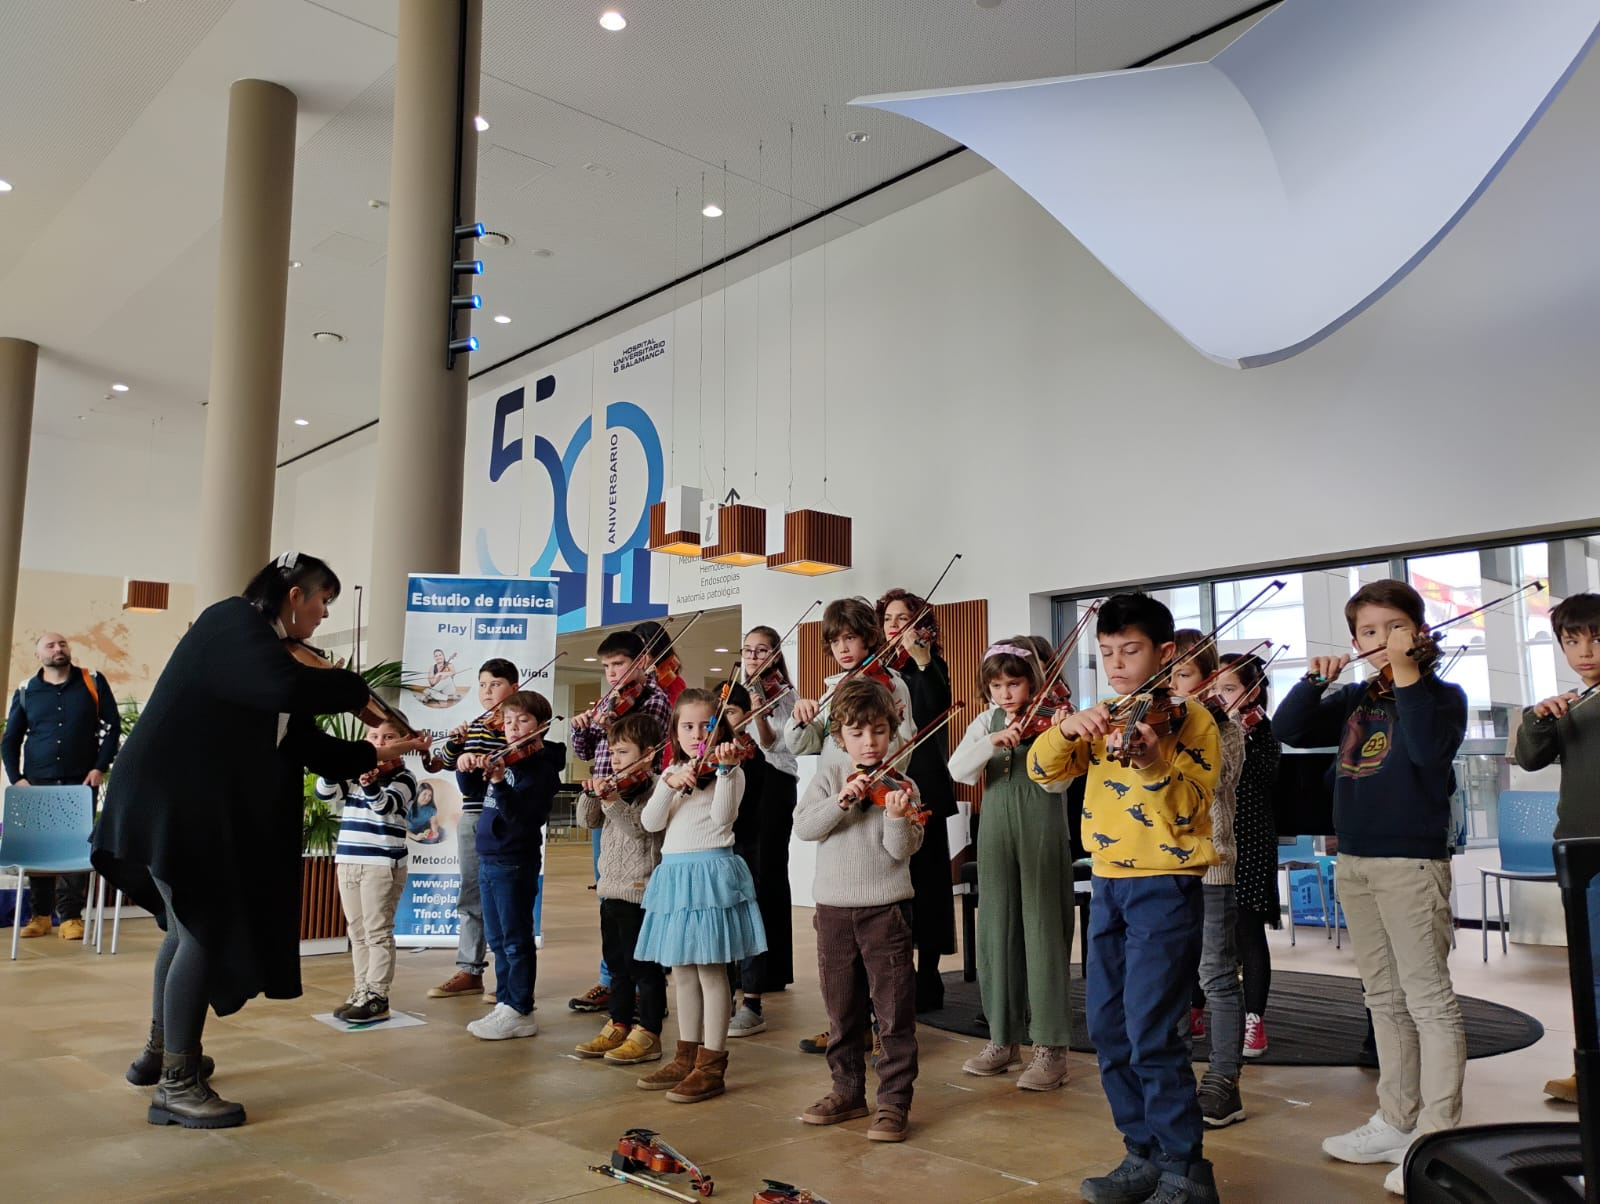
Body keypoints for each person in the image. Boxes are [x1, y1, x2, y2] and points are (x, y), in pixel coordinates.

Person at [91, 552, 432, 1128]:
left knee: (186, 928)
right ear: (294, 595)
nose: (324, 615)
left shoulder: (262, 653)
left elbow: (301, 743)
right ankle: (177, 1083)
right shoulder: (234, 623)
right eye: (323, 600)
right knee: (204, 926)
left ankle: (163, 1054)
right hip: (171, 802)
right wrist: (350, 689)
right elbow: (282, 685)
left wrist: (380, 751)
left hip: (180, 803)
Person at [1276, 578, 1468, 1198]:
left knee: (1428, 1000)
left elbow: (1422, 752)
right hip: (1355, 860)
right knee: (1382, 999)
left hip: (1410, 865)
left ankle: (1437, 1137)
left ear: (1417, 631)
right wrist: (1314, 681)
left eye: (1392, 628)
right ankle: (1396, 1119)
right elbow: (1290, 728)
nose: (1379, 641)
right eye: (1366, 632)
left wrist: (1409, 672)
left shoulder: (1444, 696)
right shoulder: (1358, 697)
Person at [1029, 592, 1223, 1204]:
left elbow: (1194, 805)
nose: (1116, 664)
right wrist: (1065, 728)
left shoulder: (1191, 721)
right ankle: (1140, 1151)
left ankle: (1184, 1167)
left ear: (1165, 653)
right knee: (1109, 1026)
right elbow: (1043, 771)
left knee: (1152, 1027)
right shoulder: (1105, 713)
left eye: (1130, 651)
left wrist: (1155, 757)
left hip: (1166, 885)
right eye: (1106, 652)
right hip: (1108, 881)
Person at [793, 677, 924, 1143]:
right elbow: (806, 827)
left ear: (892, 731)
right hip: (833, 910)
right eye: (857, 733)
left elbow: (900, 850)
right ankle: (847, 1091)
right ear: (839, 737)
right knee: (841, 1008)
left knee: (892, 1013)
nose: (869, 743)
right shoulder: (829, 778)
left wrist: (894, 814)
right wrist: (843, 800)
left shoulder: (903, 784)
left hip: (884, 911)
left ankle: (893, 1101)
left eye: (879, 732)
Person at [947, 639, 1076, 1091]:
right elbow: (957, 769)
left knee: (1042, 931)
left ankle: (1050, 1048)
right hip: (996, 826)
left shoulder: (1056, 718)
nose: (1005, 694)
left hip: (1041, 825)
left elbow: (1060, 784)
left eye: (1014, 684)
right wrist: (989, 741)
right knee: (996, 930)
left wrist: (1058, 737)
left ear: (1033, 682)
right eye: (996, 685)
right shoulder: (987, 720)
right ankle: (1002, 1039)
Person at [634, 688, 766, 1103]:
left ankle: (712, 1064)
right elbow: (651, 822)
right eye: (686, 726)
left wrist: (726, 771)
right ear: (674, 730)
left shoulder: (731, 770)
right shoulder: (675, 770)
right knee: (683, 973)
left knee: (711, 973)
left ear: (720, 728)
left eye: (705, 726)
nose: (696, 734)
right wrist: (667, 785)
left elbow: (724, 817)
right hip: (674, 877)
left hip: (710, 874)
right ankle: (685, 1054)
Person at [1511, 592, 1600, 1103]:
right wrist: (1539, 717)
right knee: (1587, 966)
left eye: (1596, 637)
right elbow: (1529, 758)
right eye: (1572, 640)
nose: (1585, 650)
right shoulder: (1571, 703)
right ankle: (1588, 1066)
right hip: (1577, 850)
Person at [569, 629, 673, 1015]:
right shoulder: (605, 705)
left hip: (634, 796)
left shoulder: (655, 699)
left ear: (641, 662)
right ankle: (613, 982)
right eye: (607, 666)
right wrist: (585, 727)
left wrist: (611, 718)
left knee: (635, 905)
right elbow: (586, 752)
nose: (612, 674)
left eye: (618, 664)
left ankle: (647, 989)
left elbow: (650, 739)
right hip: (605, 795)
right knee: (609, 894)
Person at [1168, 629, 1248, 1128]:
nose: (1174, 684)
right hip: (1165, 864)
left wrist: (1199, 727)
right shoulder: (1158, 721)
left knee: (1215, 976)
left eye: (1183, 674)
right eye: (1168, 673)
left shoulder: (1227, 727)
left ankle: (1224, 1080)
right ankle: (1174, 1075)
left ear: (1208, 678)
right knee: (1172, 976)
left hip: (1212, 864)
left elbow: (1217, 782)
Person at [4, 631, 121, 940]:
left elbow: (113, 727)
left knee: (75, 845)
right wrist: (17, 779)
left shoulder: (92, 681)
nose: (58, 649)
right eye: (50, 645)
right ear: (38, 655)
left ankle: (70, 917)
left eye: (62, 644)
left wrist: (99, 767)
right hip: (37, 782)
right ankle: (40, 916)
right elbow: (11, 739)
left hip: (80, 781)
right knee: (39, 849)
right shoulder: (27, 690)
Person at [878, 589, 959, 1012]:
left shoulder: (931, 667)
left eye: (903, 618)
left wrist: (922, 659)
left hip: (924, 785)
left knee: (929, 887)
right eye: (889, 619)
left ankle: (929, 975)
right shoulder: (878, 672)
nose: (894, 625)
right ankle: (897, 973)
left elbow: (936, 710)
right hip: (887, 789)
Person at [468, 690, 565, 1041]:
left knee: (515, 939)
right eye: (508, 721)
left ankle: (520, 1008)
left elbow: (521, 819)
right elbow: (476, 794)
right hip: (489, 858)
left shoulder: (540, 770)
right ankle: (506, 1001)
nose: (512, 728)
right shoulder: (503, 758)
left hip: (514, 861)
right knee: (496, 939)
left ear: (540, 726)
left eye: (522, 720)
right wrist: (469, 766)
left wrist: (499, 781)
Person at [575, 710, 667, 1064]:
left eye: (623, 752)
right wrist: (591, 794)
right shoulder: (614, 785)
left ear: (648, 754)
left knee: (643, 966)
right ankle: (618, 1022)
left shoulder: (655, 788)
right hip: (610, 888)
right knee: (616, 965)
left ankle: (649, 1032)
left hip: (639, 889)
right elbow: (588, 821)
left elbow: (639, 828)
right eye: (612, 752)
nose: (615, 759)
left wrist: (612, 801)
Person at [428, 658, 519, 1001]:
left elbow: (518, 761)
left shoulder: (518, 722)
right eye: (482, 684)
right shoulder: (477, 725)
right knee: (471, 892)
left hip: (502, 814)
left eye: (495, 684)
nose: (487, 691)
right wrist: (456, 743)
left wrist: (489, 755)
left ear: (514, 688)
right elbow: (446, 762)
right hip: (471, 814)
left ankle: (508, 977)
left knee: (503, 896)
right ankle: (470, 969)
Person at [318, 720, 420, 1024]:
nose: (380, 742)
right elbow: (325, 793)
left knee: (377, 931)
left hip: (382, 863)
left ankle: (378, 996)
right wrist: (333, 766)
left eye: (389, 737)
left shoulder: (405, 777)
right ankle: (360, 989)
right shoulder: (355, 773)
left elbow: (385, 806)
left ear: (402, 742)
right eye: (374, 737)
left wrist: (369, 784)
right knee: (357, 932)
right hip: (349, 858)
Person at [1214, 653, 1282, 1063]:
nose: (1220, 697)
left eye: (1229, 689)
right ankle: (1199, 1008)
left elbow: (1254, 779)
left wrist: (1237, 734)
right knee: (1205, 929)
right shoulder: (1213, 727)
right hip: (1216, 836)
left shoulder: (1264, 733)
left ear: (1252, 692)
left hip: (1252, 837)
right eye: (1215, 689)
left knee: (1247, 929)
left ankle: (1254, 1019)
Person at [739, 625, 799, 999]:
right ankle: (745, 965)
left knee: (769, 873)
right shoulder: (735, 693)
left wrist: (758, 712)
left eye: (762, 651)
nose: (754, 658)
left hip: (775, 784)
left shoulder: (786, 696)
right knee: (744, 872)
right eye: (748, 650)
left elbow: (770, 743)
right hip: (744, 784)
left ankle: (772, 968)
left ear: (775, 655)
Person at [787, 597, 916, 767]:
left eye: (849, 637)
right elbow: (800, 746)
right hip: (832, 786)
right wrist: (800, 720)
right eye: (835, 641)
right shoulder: (834, 688)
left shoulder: (893, 686)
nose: (842, 649)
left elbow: (901, 754)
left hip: (869, 787)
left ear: (870, 638)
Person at [718, 683, 773, 1037]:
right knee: (720, 922)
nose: (725, 721)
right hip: (716, 849)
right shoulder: (709, 753)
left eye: (732, 713)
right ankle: (722, 997)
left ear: (747, 715)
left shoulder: (754, 758)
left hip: (745, 847)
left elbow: (743, 808)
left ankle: (751, 1002)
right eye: (719, 716)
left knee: (748, 922)